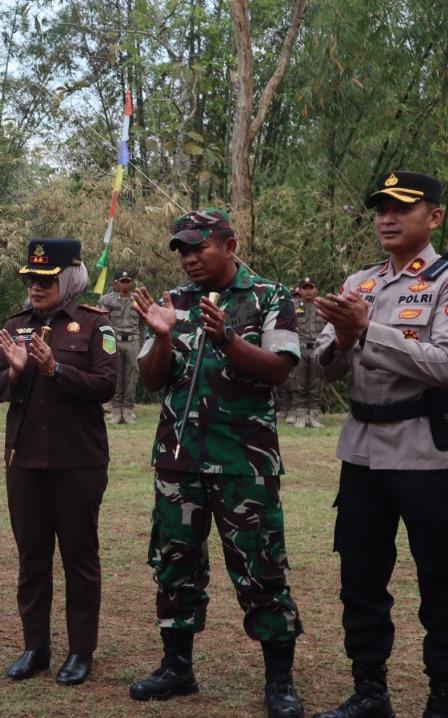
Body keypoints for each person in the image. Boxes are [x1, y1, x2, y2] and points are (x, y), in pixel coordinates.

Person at [128, 209, 304, 718]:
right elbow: (153, 380)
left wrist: (228, 337)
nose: (187, 259)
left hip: (243, 464)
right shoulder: (174, 303)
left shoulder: (270, 297)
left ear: (229, 245)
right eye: (181, 250)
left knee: (261, 570)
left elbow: (279, 371)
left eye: (197, 247)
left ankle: (279, 682)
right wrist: (162, 336)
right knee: (175, 566)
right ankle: (177, 668)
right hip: (178, 463)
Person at [312, 171, 448, 718]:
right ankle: (370, 693)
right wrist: (344, 338)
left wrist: (370, 332)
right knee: (361, 578)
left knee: (439, 580)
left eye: (400, 208)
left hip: (426, 454)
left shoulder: (443, 282)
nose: (386, 218)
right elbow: (323, 367)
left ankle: (441, 697)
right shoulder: (358, 282)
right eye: (380, 209)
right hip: (362, 452)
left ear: (434, 216)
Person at [0, 237, 117, 687]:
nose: (36, 288)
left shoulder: (95, 324)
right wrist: (17, 370)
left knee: (80, 559)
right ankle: (35, 647)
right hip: (25, 461)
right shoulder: (15, 325)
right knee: (32, 558)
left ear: (69, 278)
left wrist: (55, 370)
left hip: (77, 461)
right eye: (31, 279)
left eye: (46, 279)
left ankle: (81, 651)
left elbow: (105, 385)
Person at [99, 269, 145, 424]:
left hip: (133, 341)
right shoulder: (107, 300)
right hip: (114, 341)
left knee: (132, 376)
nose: (125, 284)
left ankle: (128, 410)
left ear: (132, 283)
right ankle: (116, 409)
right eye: (122, 281)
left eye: (128, 281)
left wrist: (143, 346)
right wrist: (104, 346)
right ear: (115, 283)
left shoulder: (139, 300)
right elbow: (102, 323)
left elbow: (143, 325)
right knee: (115, 375)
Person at [289, 277, 326, 428]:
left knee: (316, 384)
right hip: (300, 348)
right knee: (299, 384)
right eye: (305, 288)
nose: (308, 291)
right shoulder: (292, 306)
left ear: (316, 290)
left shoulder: (324, 306)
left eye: (311, 287)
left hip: (318, 349)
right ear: (300, 290)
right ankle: (300, 416)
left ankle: (314, 416)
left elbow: (332, 328)